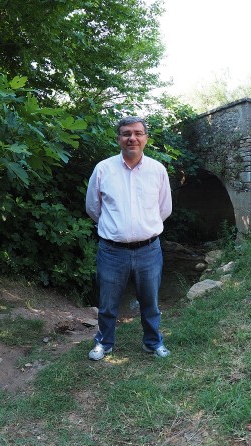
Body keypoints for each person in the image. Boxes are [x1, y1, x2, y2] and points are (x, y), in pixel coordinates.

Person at [85, 116, 173, 361]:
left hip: (149, 250)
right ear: (118, 139)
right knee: (108, 303)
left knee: (150, 302)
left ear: (146, 138)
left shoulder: (157, 170)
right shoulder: (103, 169)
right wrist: (116, 229)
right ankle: (104, 343)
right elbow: (93, 207)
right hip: (112, 251)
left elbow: (164, 208)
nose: (132, 138)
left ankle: (153, 343)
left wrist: (144, 229)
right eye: (126, 133)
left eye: (137, 133)